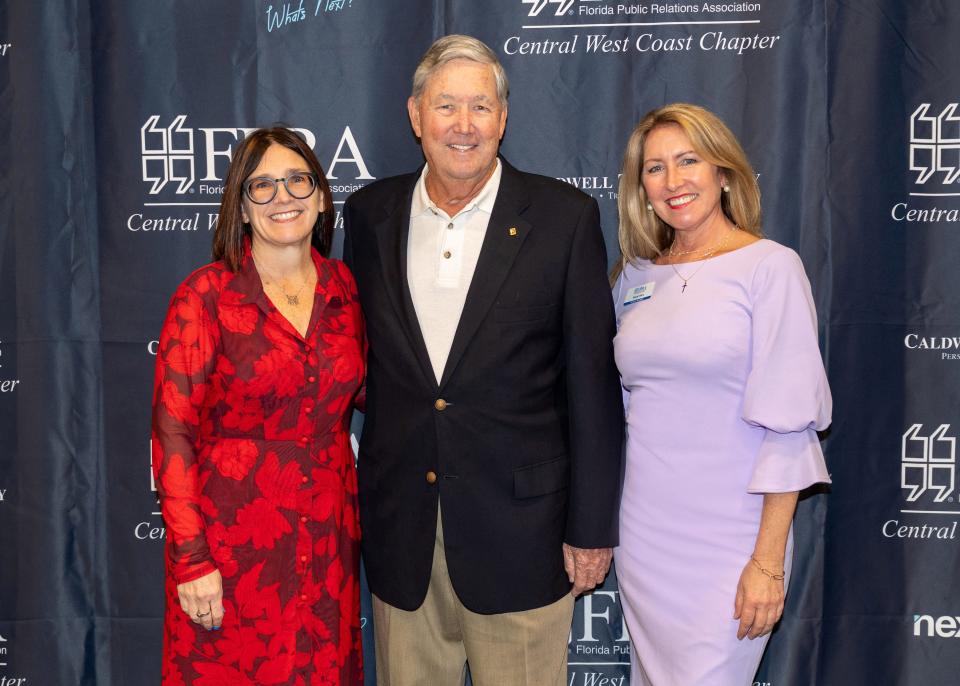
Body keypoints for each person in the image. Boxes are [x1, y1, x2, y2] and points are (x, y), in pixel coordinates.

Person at [342, 35, 623, 686]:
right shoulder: (368, 215)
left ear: (503, 118)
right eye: (446, 106)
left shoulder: (563, 217)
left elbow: (591, 386)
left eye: (480, 106)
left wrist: (590, 525)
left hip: (523, 537)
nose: (463, 125)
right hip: (403, 538)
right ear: (416, 117)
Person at [612, 103, 832, 685]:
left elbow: (789, 425)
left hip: (731, 539)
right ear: (642, 188)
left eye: (689, 161)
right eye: (655, 168)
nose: (674, 181)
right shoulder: (634, 277)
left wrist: (766, 561)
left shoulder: (770, 268)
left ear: (724, 173)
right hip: (645, 532)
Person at [151, 127, 365, 685]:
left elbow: (377, 393)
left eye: (298, 180)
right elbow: (172, 432)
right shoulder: (205, 296)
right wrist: (192, 558)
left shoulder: (344, 289)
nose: (283, 197)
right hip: (234, 546)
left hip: (328, 544)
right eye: (262, 186)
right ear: (241, 209)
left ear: (321, 196)